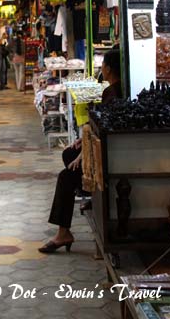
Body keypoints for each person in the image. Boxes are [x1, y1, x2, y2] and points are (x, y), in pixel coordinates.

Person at [38, 49, 122, 254]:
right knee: (68, 155)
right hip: (105, 148)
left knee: (66, 177)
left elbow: (105, 133)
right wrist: (82, 143)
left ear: (108, 69)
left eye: (103, 66)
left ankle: (63, 232)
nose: (102, 69)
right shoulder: (113, 90)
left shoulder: (112, 94)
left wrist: (84, 154)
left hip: (109, 155)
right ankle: (90, 194)